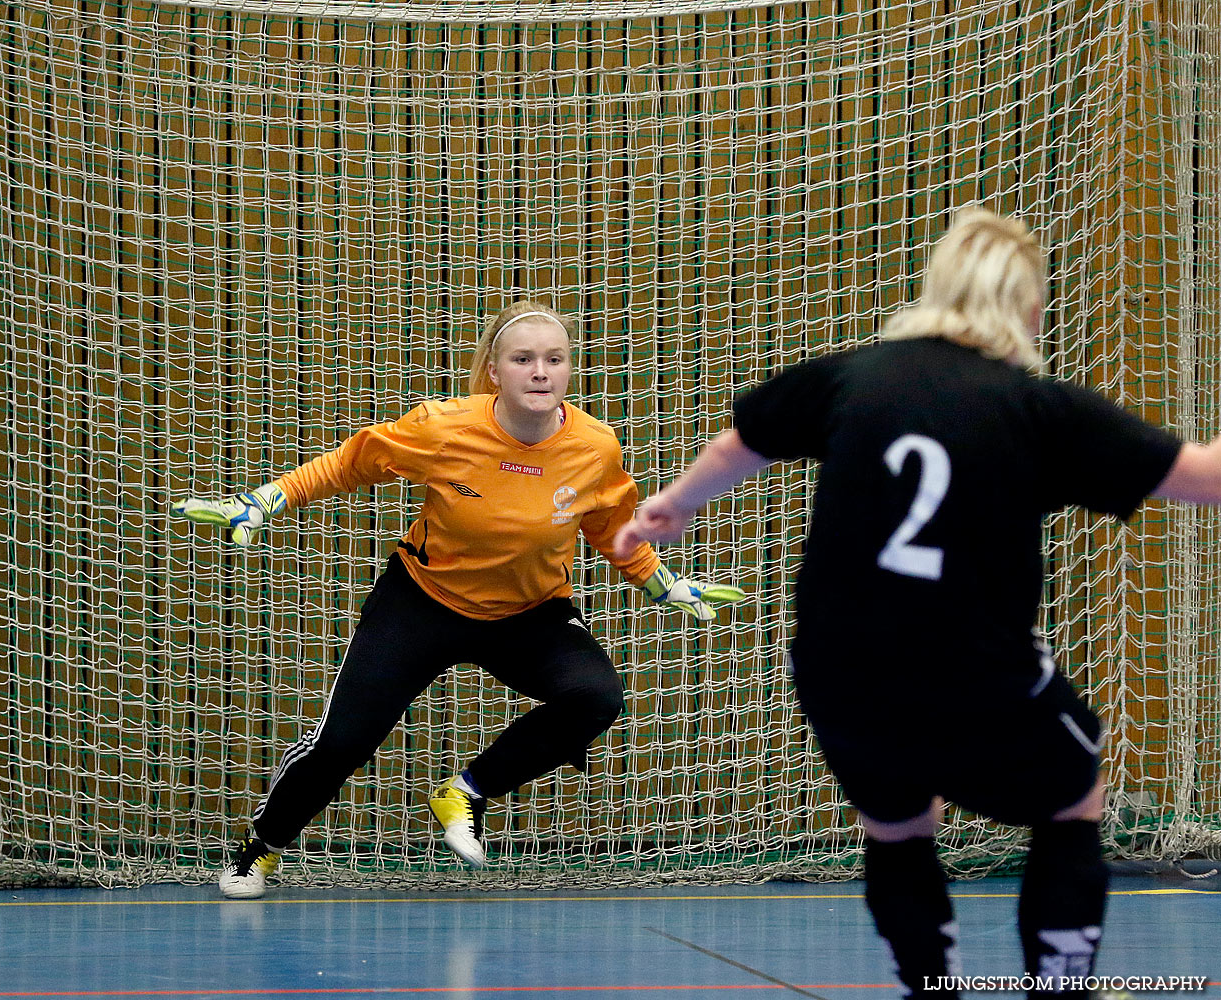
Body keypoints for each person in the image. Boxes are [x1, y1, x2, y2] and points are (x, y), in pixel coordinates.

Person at [613, 207, 1220, 998]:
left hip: (841, 672)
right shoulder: (1036, 408)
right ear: (1025, 307)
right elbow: (1202, 479)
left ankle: (931, 988)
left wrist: (674, 506)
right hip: (973, 668)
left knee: (898, 825)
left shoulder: (851, 375)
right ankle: (1062, 988)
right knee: (1074, 798)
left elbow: (742, 441)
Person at [173, 299, 744, 899]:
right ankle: (260, 849)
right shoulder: (444, 428)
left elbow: (610, 529)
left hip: (529, 613)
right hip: (423, 600)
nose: (540, 372)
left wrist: (662, 583)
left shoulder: (596, 449)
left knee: (595, 695)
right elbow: (352, 462)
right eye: (523, 359)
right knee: (342, 742)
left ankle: (467, 791)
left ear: (571, 370)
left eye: (555, 359)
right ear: (495, 371)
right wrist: (268, 500)